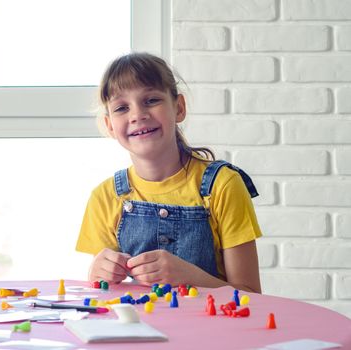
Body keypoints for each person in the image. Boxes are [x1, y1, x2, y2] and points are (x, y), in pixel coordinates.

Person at [76, 52, 262, 293]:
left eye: (151, 100)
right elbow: (104, 293)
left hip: (213, 329)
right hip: (137, 328)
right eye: (122, 107)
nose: (137, 115)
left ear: (179, 107)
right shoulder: (104, 197)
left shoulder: (223, 185)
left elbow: (251, 295)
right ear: (110, 125)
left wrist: (190, 277)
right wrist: (97, 274)